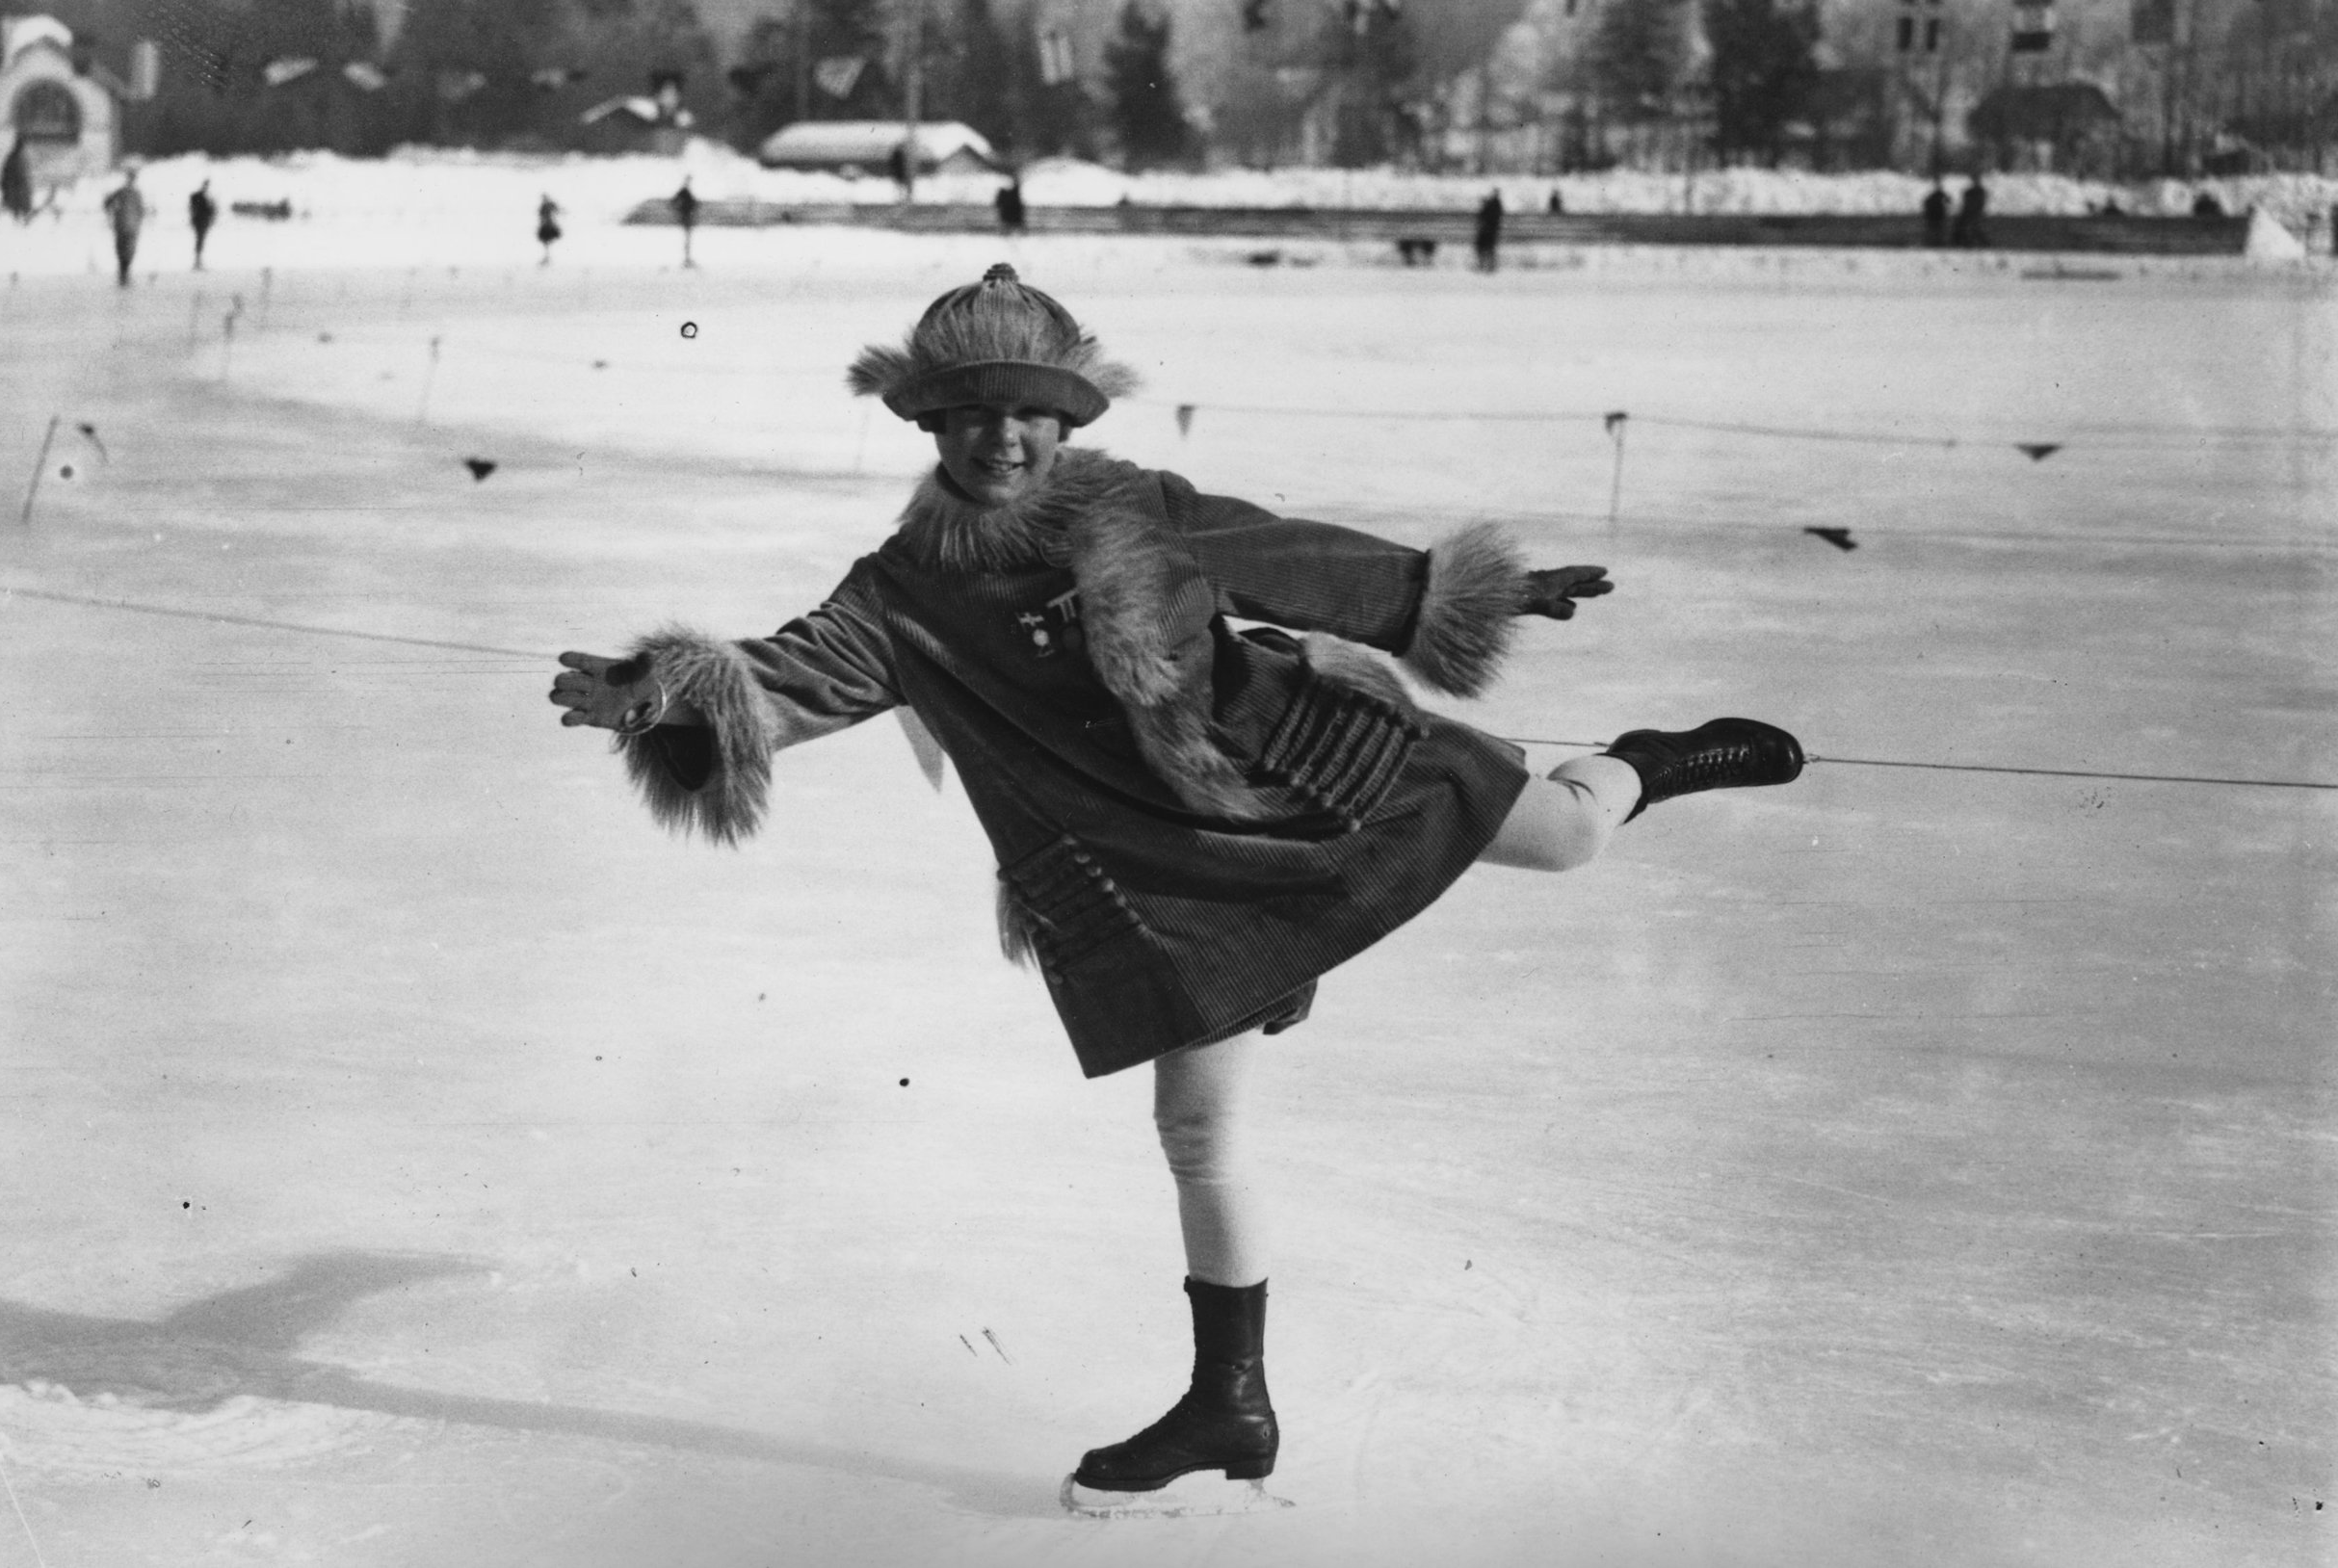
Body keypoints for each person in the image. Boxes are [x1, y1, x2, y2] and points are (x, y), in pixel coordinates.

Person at [547, 264, 1804, 1507]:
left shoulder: (1132, 508)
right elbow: (789, 678)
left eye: (1028, 412)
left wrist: (1454, 592)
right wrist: (657, 686)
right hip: (1166, 889)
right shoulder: (899, 599)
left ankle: (1646, 763)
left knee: (1570, 840)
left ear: (1068, 420)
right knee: (1197, 1132)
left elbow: (1289, 559)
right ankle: (1232, 1402)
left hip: (1309, 775)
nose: (1004, 438)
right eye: (975, 414)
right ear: (930, 424)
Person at [103, 166, 146, 287]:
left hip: (126, 225)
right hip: (126, 225)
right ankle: (124, 275)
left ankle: (124, 274)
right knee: (126, 250)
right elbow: (141, 210)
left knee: (125, 250)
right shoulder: (127, 192)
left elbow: (107, 203)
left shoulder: (130, 192)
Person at [0, 137, 33, 225]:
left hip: (18, 187)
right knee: (19, 203)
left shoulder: (16, 156)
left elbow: (5, 173)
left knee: (20, 204)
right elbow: (7, 173)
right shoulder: (16, 157)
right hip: (17, 187)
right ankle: (19, 218)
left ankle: (21, 218)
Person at [1951, 174, 1988, 248]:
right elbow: (1967, 203)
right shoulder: (1973, 191)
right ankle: (1966, 243)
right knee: (1969, 228)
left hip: (1974, 213)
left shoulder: (1979, 191)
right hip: (1969, 212)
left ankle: (1974, 243)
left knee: (1972, 228)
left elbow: (1979, 203)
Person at [670, 177, 700, 267]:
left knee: (688, 238)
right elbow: (673, 202)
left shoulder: (686, 191)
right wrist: (681, 209)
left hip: (688, 217)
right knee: (687, 238)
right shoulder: (684, 191)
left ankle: (687, 258)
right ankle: (686, 258)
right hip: (686, 217)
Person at [1473, 187, 1505, 272]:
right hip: (1489, 229)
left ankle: (1486, 265)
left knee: (1486, 248)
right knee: (1487, 248)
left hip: (1488, 229)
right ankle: (1487, 265)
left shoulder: (1494, 204)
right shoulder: (1495, 204)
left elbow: (1487, 217)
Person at [189, 180, 217, 270]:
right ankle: (197, 262)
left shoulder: (206, 196)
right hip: (200, 221)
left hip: (204, 221)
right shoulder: (198, 196)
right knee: (200, 240)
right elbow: (193, 208)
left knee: (201, 240)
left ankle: (198, 262)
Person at [1921, 181, 1951, 247]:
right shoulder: (1939, 194)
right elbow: (1949, 201)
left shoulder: (1935, 195)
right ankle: (1937, 242)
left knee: (1935, 229)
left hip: (1935, 215)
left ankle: (1934, 242)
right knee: (1937, 229)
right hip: (1937, 215)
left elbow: (1948, 201)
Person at [537, 195, 562, 265]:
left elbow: (558, 211)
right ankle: (547, 258)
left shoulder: (547, 205)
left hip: (549, 226)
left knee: (546, 243)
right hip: (548, 226)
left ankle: (547, 258)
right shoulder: (545, 206)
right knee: (546, 243)